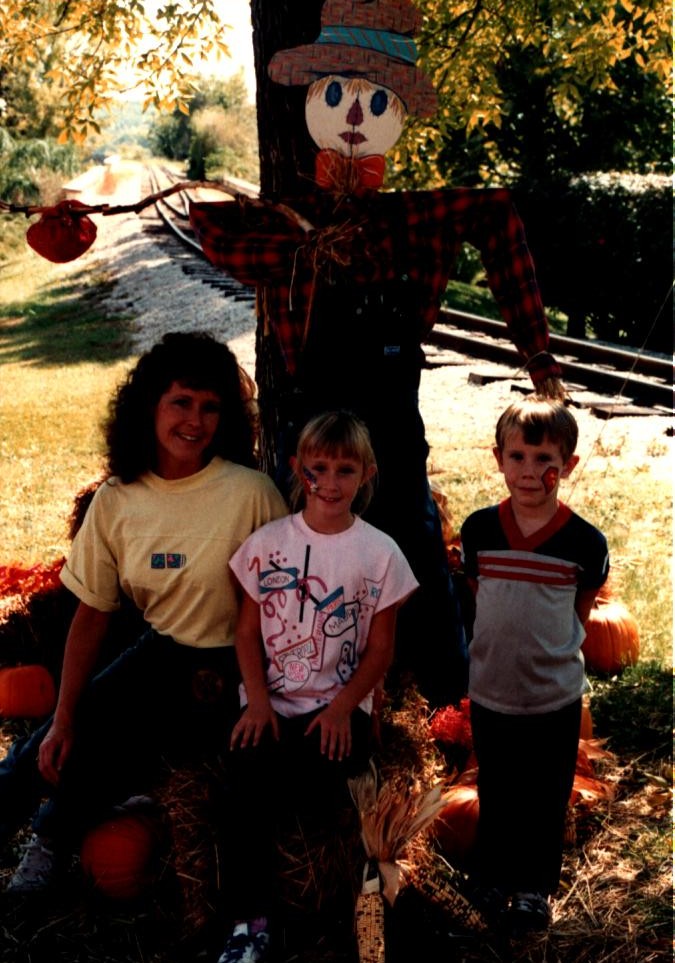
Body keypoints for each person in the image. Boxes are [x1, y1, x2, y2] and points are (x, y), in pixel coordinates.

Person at [189, 0, 566, 709]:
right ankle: (309, 693)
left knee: (418, 555)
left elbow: (496, 212)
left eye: (372, 100)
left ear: (392, 112)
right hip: (311, 431)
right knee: (306, 562)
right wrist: (305, 247)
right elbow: (208, 224)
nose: (354, 115)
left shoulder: (410, 216)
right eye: (335, 95)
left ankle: (453, 706)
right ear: (312, 106)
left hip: (392, 436)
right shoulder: (289, 217)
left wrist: (535, 351)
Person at [0, 331, 288, 893]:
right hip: (163, 651)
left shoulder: (251, 493)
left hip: (241, 664)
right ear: (149, 406)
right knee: (56, 741)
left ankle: (64, 826)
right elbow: (91, 616)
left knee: (191, 762)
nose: (196, 421)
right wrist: (62, 716)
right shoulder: (116, 500)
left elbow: (284, 604)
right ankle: (47, 839)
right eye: (181, 402)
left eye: (210, 407)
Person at [216, 410, 418, 963]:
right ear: (297, 469)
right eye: (318, 469)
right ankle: (248, 924)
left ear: (367, 474)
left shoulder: (380, 554)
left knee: (324, 787)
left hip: (339, 705)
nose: (330, 483)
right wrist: (256, 701)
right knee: (243, 788)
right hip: (272, 700)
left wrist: (343, 709)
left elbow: (381, 650)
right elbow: (245, 631)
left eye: (345, 470)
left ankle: (347, 917)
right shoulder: (268, 544)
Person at [459, 396, 609, 938]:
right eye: (517, 456)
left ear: (566, 465)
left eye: (542, 458)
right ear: (497, 458)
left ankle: (533, 888)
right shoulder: (478, 531)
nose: (528, 471)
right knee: (497, 787)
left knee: (545, 794)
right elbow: (479, 595)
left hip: (553, 696)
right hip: (493, 690)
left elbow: (580, 610)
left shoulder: (585, 543)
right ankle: (495, 876)